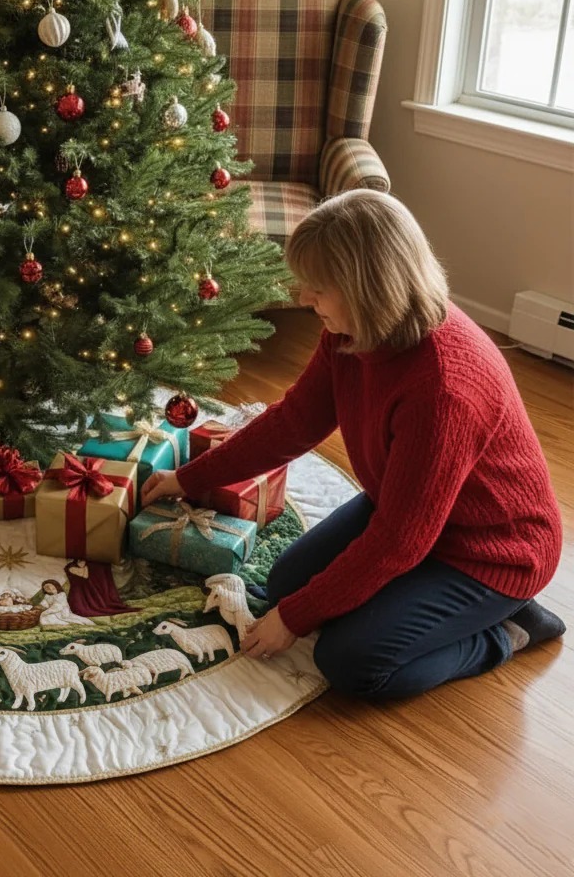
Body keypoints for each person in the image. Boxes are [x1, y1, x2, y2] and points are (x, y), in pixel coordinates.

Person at [141, 190, 565, 701]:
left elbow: (399, 542)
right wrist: (189, 477)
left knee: (351, 660)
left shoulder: (445, 389)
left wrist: (294, 619)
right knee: (284, 586)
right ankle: (431, 607)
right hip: (405, 508)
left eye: (317, 289)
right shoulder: (353, 332)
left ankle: (506, 631)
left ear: (368, 288)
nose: (301, 300)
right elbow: (294, 422)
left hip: (492, 550)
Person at [63, 559, 138, 617]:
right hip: (78, 598)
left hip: (93, 596)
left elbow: (87, 576)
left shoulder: (97, 565)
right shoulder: (70, 566)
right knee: (80, 609)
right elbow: (83, 575)